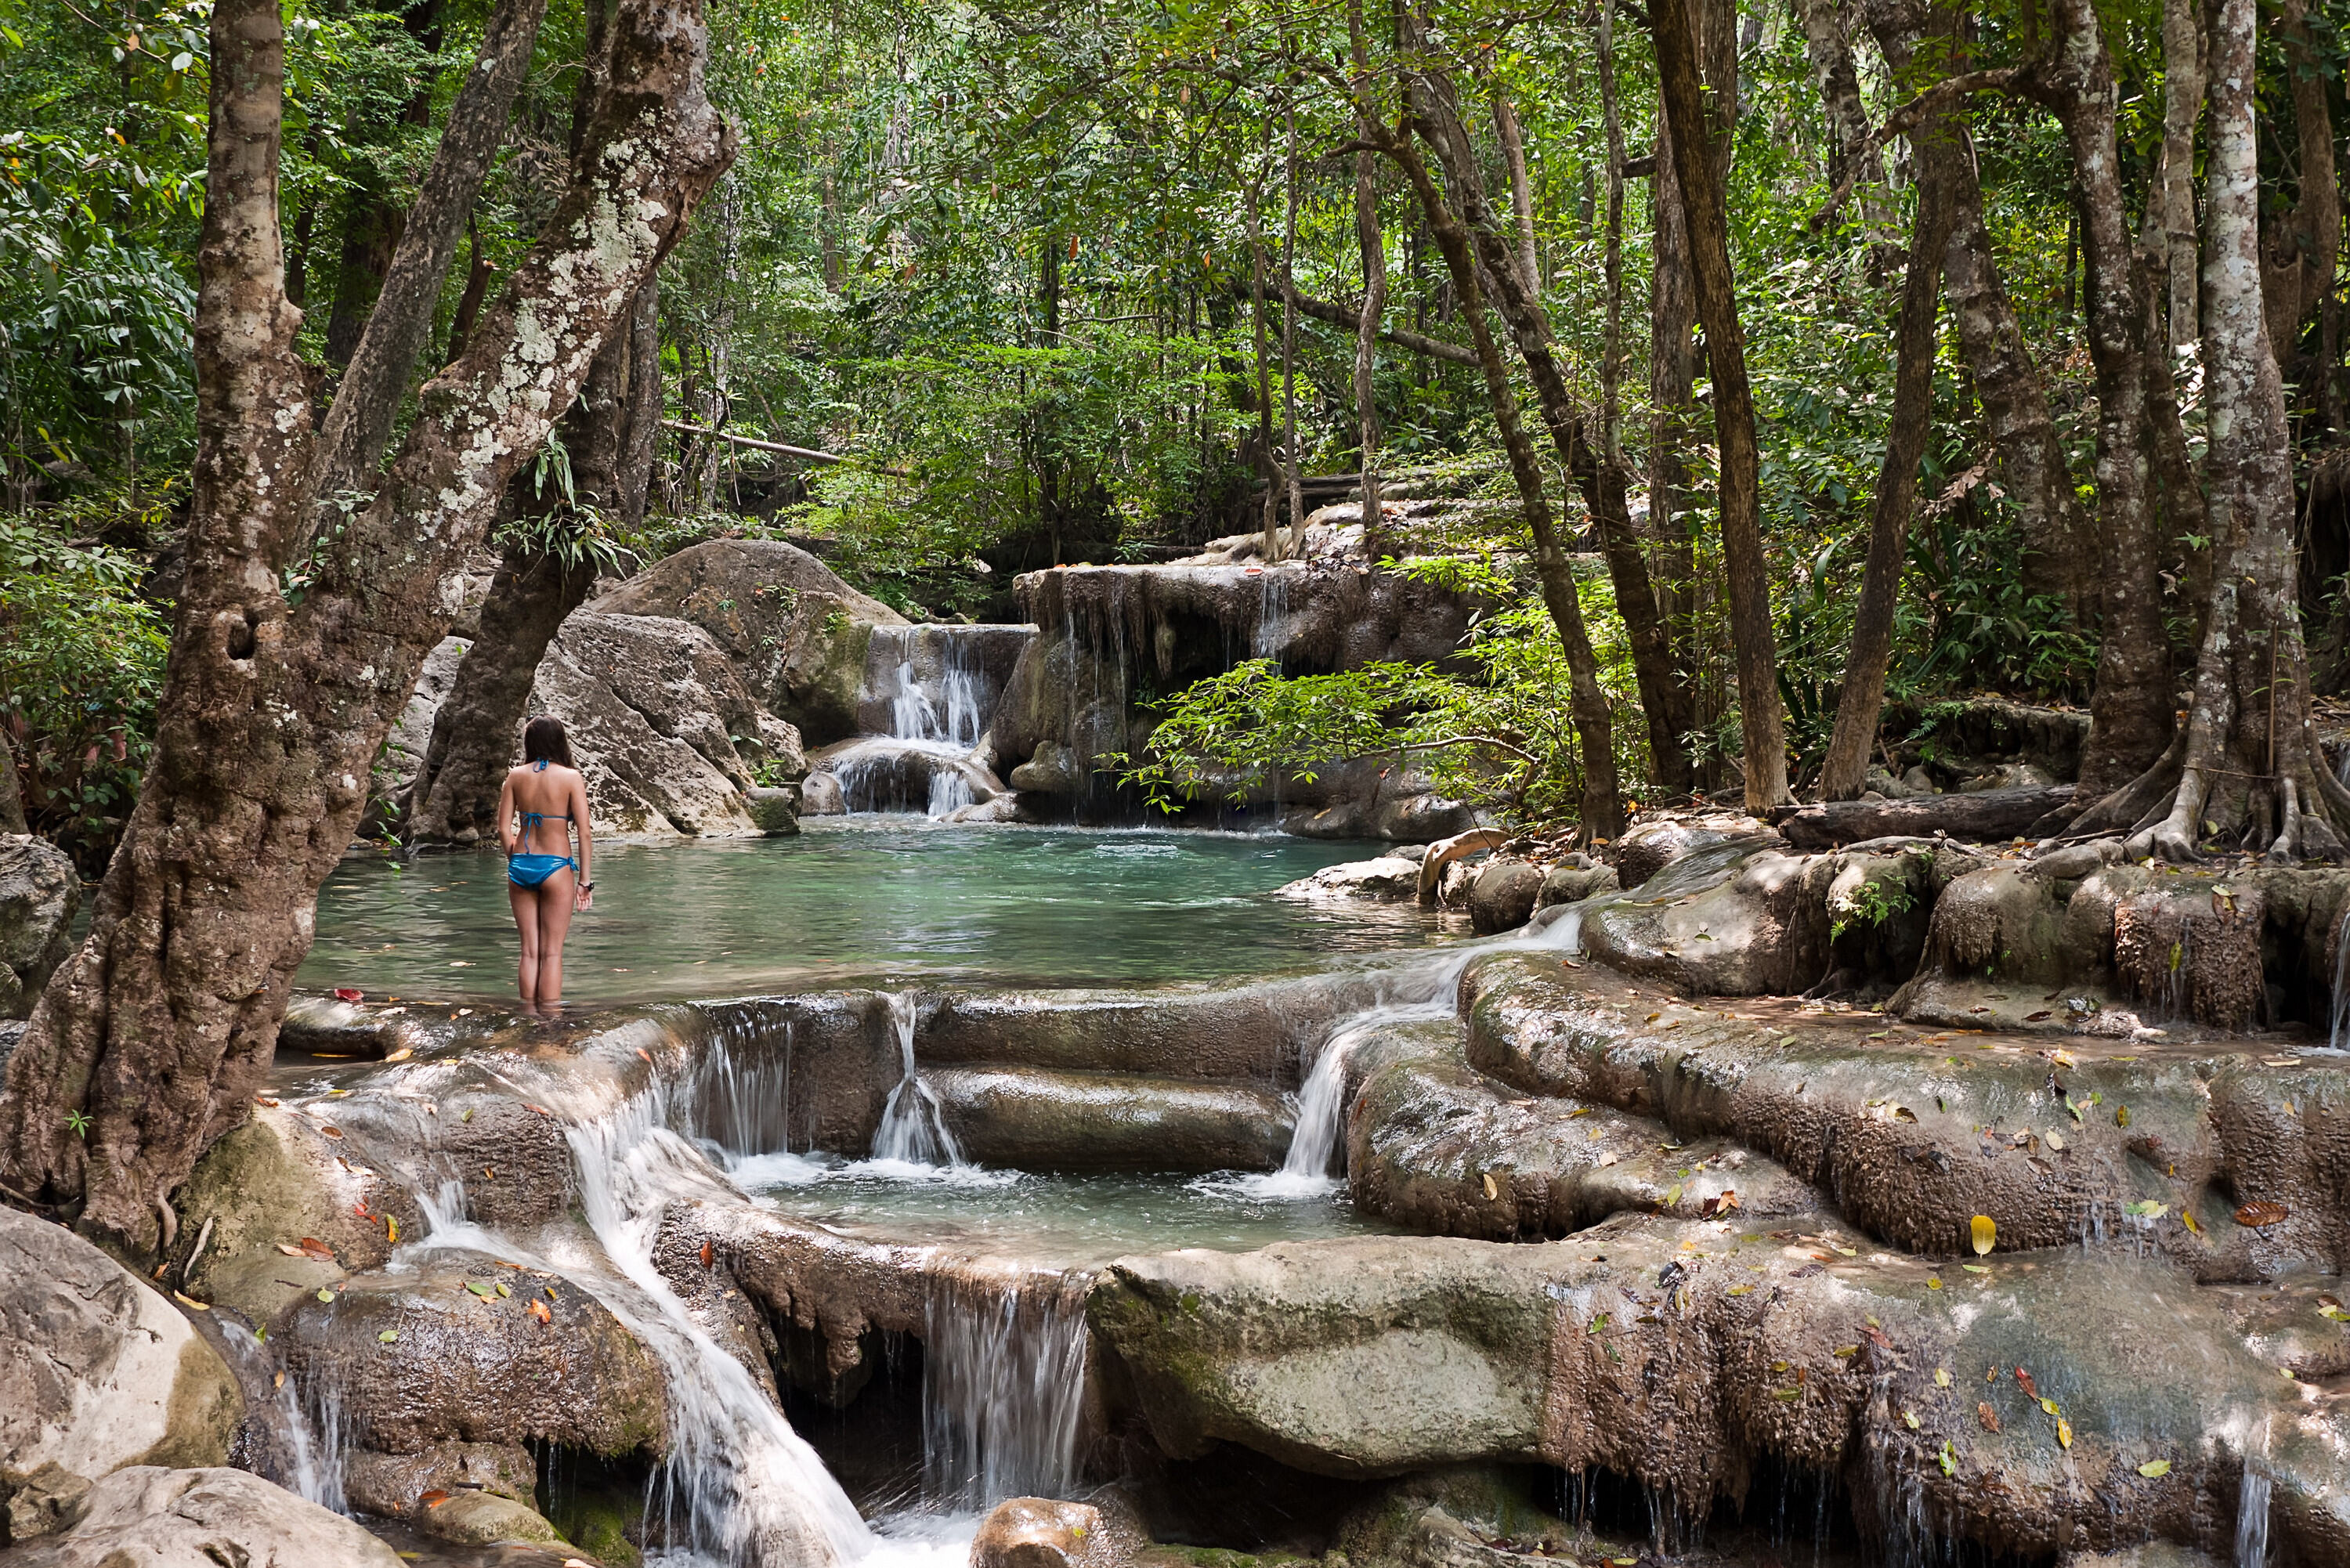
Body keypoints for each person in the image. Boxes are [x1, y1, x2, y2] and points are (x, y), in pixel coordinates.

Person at [497, 717, 595, 1010]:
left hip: (521, 864)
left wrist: (515, 861)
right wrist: (585, 882)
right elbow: (585, 832)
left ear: (530, 743)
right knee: (552, 953)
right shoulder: (571, 778)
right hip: (556, 866)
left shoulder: (515, 776)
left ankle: (526, 1017)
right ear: (559, 741)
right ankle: (549, 1023)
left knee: (528, 951)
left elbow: (503, 829)